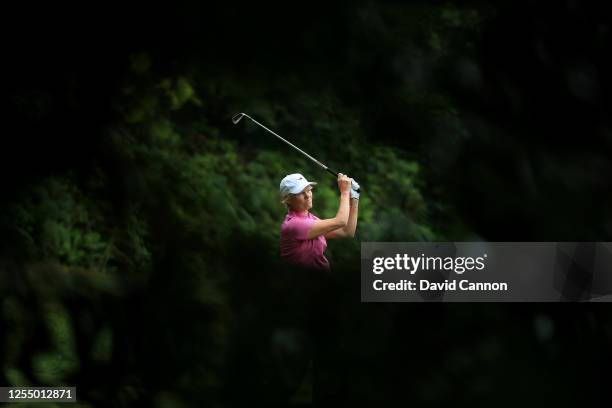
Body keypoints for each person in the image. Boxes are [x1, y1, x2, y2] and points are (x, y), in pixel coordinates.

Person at [279, 172, 359, 271]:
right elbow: (341, 221)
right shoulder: (293, 224)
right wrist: (345, 192)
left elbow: (346, 232)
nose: (307, 195)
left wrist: (354, 197)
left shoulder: (311, 219)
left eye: (308, 190)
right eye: (300, 193)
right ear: (288, 199)